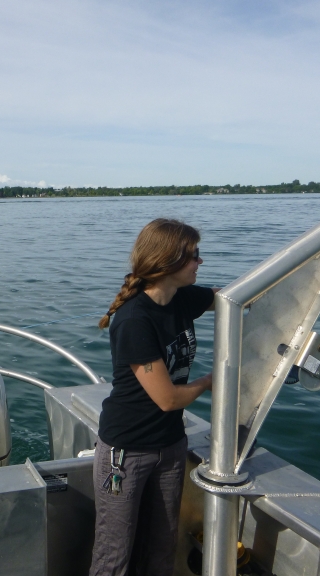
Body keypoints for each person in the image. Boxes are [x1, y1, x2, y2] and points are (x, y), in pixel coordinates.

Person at [89, 218, 218, 576]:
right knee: (114, 555)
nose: (200, 262)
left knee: (163, 549)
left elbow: (235, 296)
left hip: (170, 445)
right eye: (194, 255)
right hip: (127, 452)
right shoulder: (134, 319)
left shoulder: (182, 298)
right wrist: (210, 381)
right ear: (168, 261)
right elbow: (168, 400)